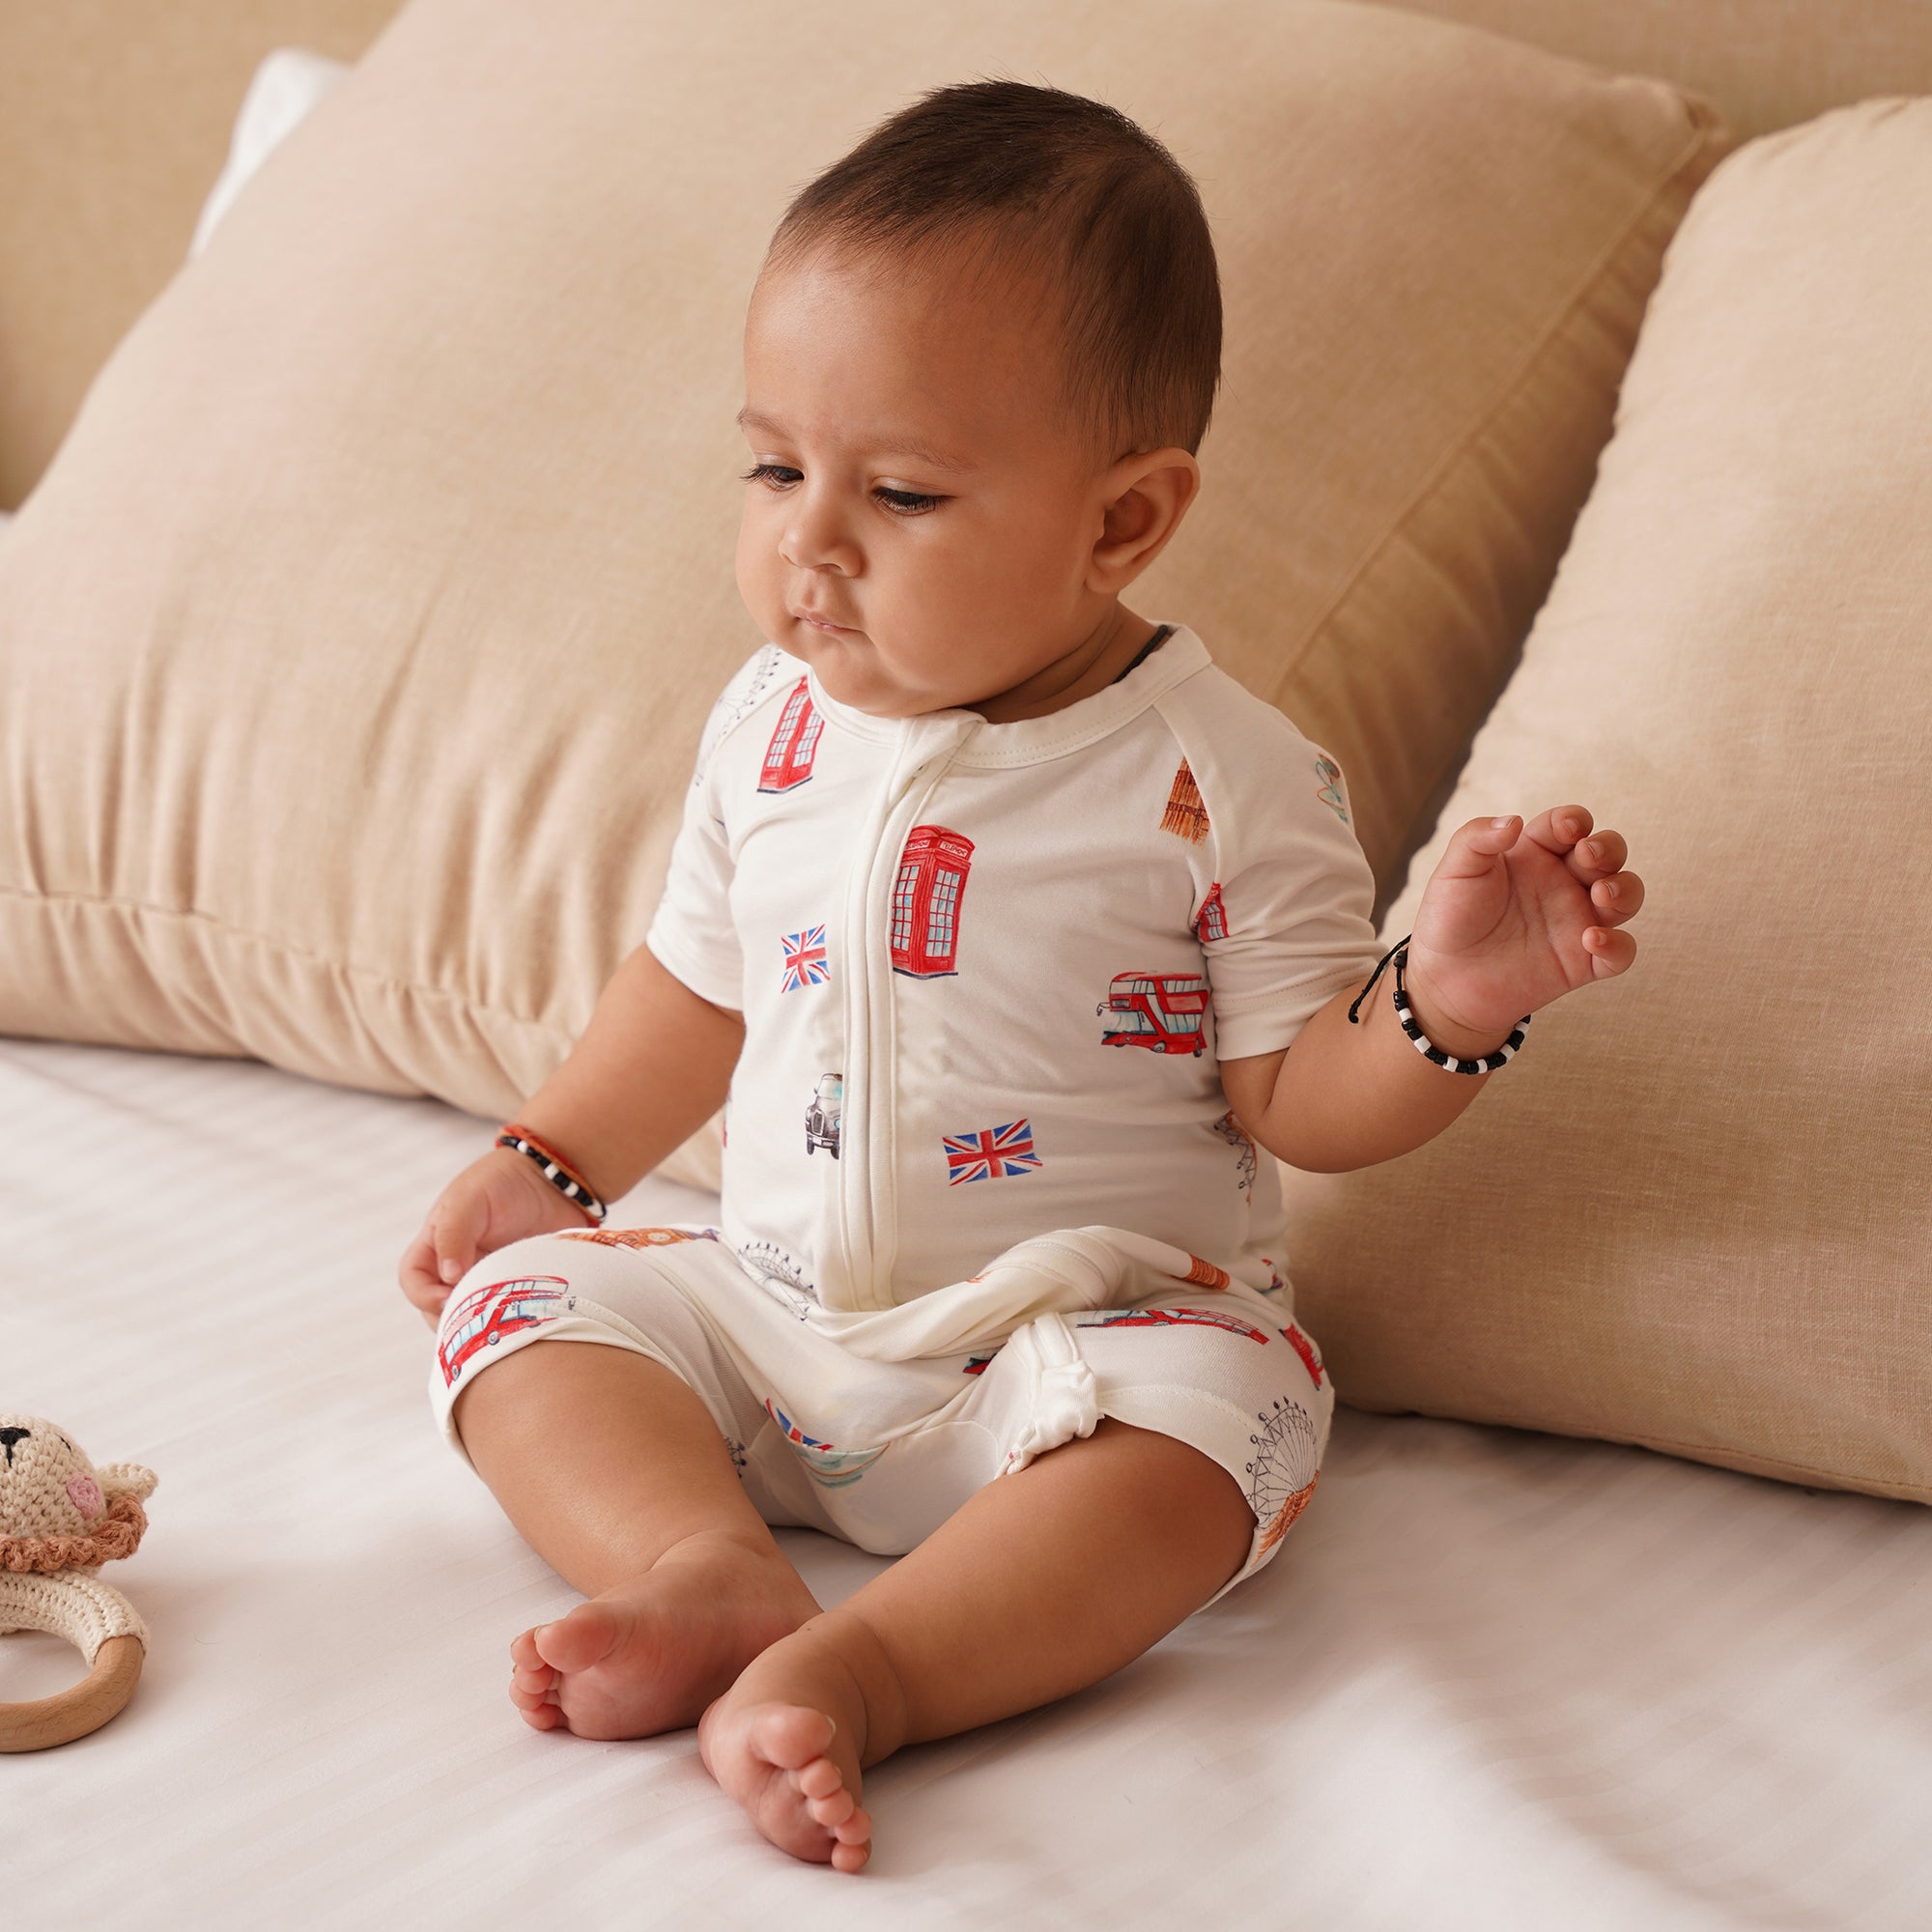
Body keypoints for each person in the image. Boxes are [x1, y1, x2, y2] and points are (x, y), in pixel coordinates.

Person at [398, 79, 1644, 1875]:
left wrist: (1445, 1009)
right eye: (774, 467)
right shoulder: (769, 727)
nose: (809, 541)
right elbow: (693, 989)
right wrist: (551, 1165)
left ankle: (878, 1669)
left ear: (1124, 522)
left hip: (1080, 1355)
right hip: (774, 1325)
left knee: (1238, 1419)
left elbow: (1297, 1102)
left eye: (898, 490)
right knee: (517, 1319)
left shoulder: (1221, 782)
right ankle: (702, 1565)